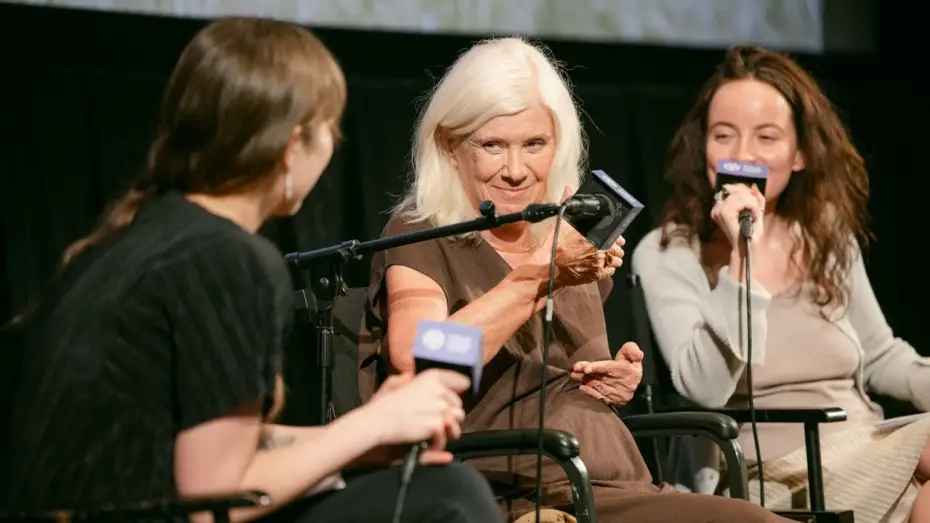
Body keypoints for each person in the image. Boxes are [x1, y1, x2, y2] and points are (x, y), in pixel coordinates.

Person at [0, 18, 504, 523]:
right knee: (450, 493)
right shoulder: (227, 259)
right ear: (292, 144)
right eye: (330, 128)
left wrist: (372, 432)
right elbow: (218, 498)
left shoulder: (138, 237)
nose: (333, 145)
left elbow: (209, 443)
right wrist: (371, 426)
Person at [357, 36, 794, 523]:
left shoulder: (569, 237)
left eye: (535, 145)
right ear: (451, 146)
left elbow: (552, 378)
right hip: (507, 488)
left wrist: (613, 379)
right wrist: (538, 277)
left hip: (612, 480)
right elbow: (421, 357)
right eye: (493, 146)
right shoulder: (422, 232)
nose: (517, 170)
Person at [631, 44, 930, 523]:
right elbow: (704, 389)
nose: (742, 155)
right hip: (768, 473)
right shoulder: (668, 253)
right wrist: (740, 254)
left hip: (867, 440)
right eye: (723, 135)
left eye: (766, 138)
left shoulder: (825, 230)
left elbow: (881, 356)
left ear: (800, 155)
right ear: (702, 147)